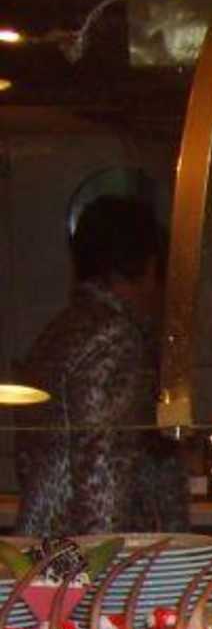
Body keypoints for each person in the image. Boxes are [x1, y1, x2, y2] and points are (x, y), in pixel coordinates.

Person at [15, 194, 190, 537]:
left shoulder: (61, 330)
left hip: (51, 547)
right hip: (87, 556)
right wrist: (108, 562)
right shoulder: (114, 338)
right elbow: (103, 472)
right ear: (150, 267)